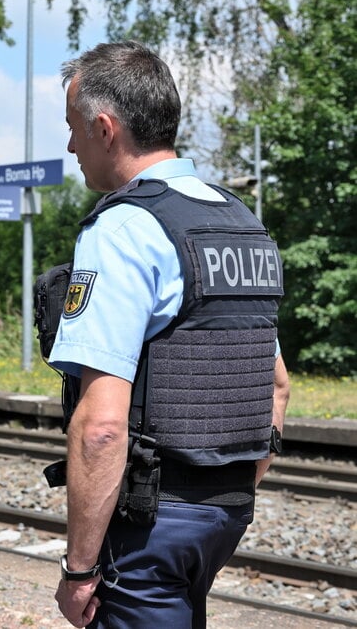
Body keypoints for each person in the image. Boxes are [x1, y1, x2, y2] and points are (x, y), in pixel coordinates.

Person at [46, 41, 290, 628]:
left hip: (151, 521)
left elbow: (102, 427)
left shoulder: (124, 227)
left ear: (105, 128)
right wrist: (225, 488)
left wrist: (79, 570)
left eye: (74, 127)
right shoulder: (241, 221)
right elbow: (276, 385)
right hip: (228, 508)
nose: (70, 145)